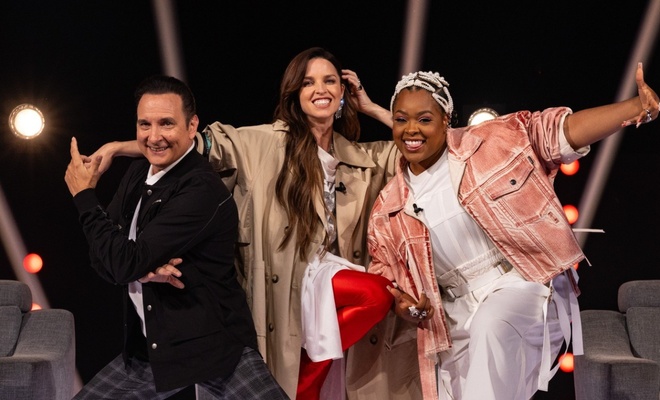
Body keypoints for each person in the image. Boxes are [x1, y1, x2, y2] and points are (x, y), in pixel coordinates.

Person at [86, 47, 407, 400]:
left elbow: (425, 142)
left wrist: (373, 107)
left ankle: (306, 376)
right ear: (294, 94)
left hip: (326, 273)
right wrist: (119, 147)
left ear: (343, 91)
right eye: (308, 82)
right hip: (281, 280)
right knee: (371, 294)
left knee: (377, 295)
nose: (321, 89)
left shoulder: (362, 157)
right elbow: (183, 143)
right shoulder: (263, 141)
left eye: (330, 81)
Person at [364, 65, 659, 400]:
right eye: (401, 119)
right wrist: (405, 308)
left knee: (493, 327)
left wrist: (634, 107)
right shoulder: (388, 207)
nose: (411, 130)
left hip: (517, 282)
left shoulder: (492, 141)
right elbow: (388, 280)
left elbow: (558, 132)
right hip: (452, 318)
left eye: (425, 119)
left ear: (446, 119)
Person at [65, 75, 287, 399]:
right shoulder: (138, 173)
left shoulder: (200, 189)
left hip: (215, 350)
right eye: (145, 124)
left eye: (166, 123)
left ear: (192, 125)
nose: (154, 137)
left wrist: (84, 197)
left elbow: (121, 260)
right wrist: (141, 268)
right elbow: (103, 258)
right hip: (155, 351)